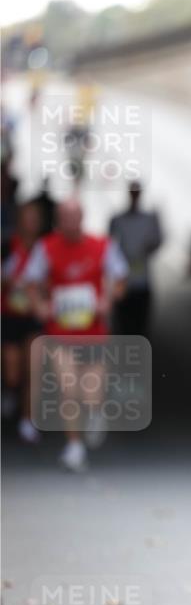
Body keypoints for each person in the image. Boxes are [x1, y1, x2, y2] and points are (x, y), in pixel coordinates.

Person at [23, 198, 129, 471]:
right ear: (58, 220)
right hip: (60, 333)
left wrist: (108, 299)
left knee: (91, 394)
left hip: (93, 334)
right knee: (68, 388)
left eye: (74, 217)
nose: (70, 223)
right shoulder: (46, 247)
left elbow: (120, 279)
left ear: (82, 218)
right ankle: (74, 445)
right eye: (65, 218)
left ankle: (95, 412)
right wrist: (39, 305)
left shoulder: (103, 246)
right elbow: (30, 281)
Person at [1, 201, 43, 439]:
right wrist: (9, 281)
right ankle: (9, 391)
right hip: (9, 315)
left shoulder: (44, 248)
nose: (31, 224)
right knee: (12, 373)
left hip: (33, 317)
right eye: (27, 219)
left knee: (32, 368)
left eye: (35, 219)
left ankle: (27, 418)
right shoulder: (7, 246)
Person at [109, 181, 163, 337]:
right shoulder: (118, 219)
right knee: (122, 324)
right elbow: (110, 246)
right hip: (123, 280)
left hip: (142, 280)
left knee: (140, 324)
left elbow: (157, 241)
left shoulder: (149, 219)